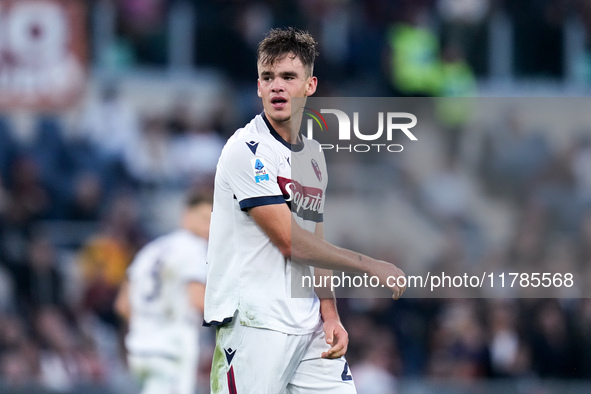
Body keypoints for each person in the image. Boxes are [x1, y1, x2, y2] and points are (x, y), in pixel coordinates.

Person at [204, 27, 406, 393]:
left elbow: (315, 240)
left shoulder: (312, 154)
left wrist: (329, 312)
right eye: (268, 77)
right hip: (255, 324)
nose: (277, 86)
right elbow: (290, 242)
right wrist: (368, 265)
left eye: (288, 77)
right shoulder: (247, 150)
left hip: (309, 325)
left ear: (310, 86)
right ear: (258, 87)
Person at [115, 190, 212, 394]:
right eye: (204, 218)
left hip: (139, 350)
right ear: (186, 215)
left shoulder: (150, 249)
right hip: (171, 348)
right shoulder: (195, 249)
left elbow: (123, 305)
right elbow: (197, 300)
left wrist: (148, 324)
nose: (208, 226)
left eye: (212, 220)